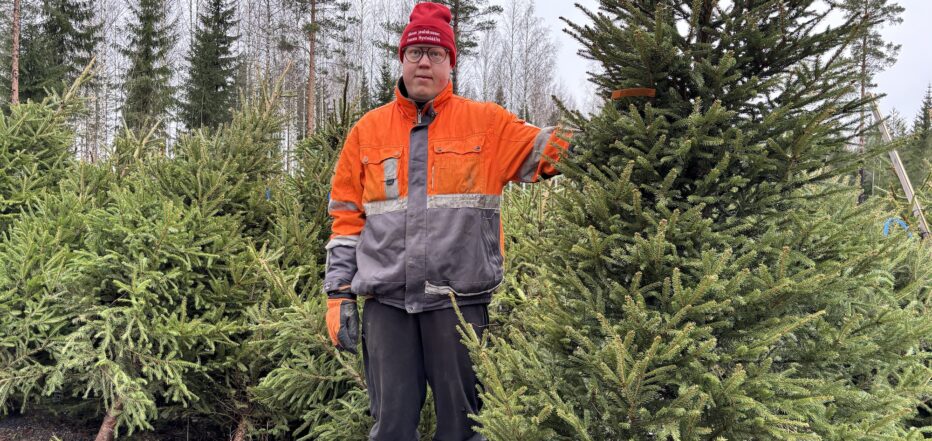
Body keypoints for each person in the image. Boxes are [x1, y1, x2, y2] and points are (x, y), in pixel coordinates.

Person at [323, 2, 572, 440]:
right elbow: (346, 220)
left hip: (459, 305)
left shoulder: (487, 125)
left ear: (450, 63)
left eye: (435, 53)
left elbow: (549, 150)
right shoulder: (367, 131)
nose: (424, 61)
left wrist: (620, 131)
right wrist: (338, 295)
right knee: (392, 428)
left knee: (463, 427)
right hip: (387, 306)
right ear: (401, 58)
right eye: (415, 51)